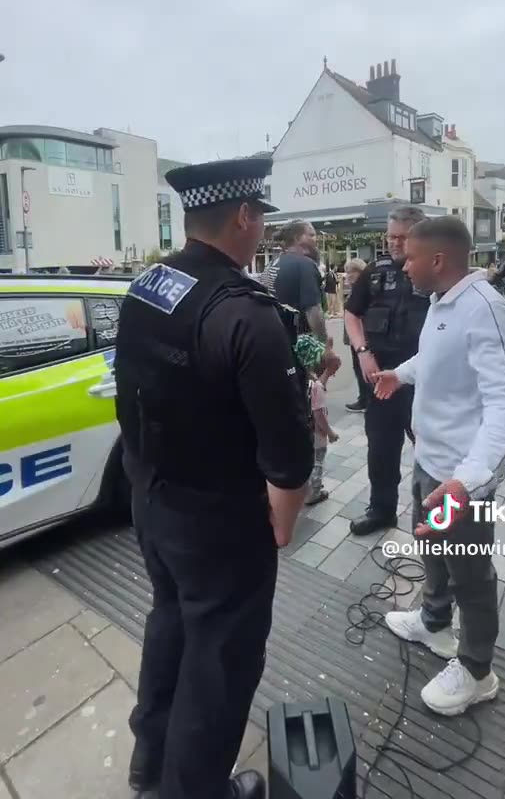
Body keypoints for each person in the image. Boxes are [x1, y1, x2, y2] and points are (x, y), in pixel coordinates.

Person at [114, 156, 314, 799]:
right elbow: (289, 457)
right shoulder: (246, 312)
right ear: (244, 216)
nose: (263, 230)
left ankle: (151, 760)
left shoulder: (146, 285)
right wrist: (281, 526)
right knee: (221, 658)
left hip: (152, 497)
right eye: (261, 219)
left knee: (171, 620)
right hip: (219, 522)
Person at [373, 216, 505, 716]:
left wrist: (470, 480)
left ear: (438, 260)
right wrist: (399, 374)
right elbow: (433, 358)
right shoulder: (442, 303)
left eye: (411, 257)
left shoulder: (485, 310)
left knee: (470, 574)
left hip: (460, 479)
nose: (404, 265)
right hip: (429, 462)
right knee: (432, 548)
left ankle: (478, 670)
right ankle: (434, 622)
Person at [344, 207, 429, 535]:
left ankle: (435, 518)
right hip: (381, 380)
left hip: (423, 383)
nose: (393, 243)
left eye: (401, 237)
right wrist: (363, 352)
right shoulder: (375, 271)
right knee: (381, 449)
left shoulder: (432, 272)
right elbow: (352, 314)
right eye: (390, 236)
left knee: (432, 453)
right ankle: (381, 510)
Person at [259, 220, 327, 340]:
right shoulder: (305, 265)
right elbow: (313, 311)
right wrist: (324, 343)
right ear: (297, 238)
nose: (315, 239)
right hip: (298, 340)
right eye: (311, 235)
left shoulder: (271, 264)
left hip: (272, 336)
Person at [294, 335, 341, 505]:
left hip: (302, 431)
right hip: (316, 435)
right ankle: (314, 493)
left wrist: (327, 370)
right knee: (317, 463)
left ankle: (302, 489)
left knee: (304, 461)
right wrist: (330, 433)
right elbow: (318, 414)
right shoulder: (316, 388)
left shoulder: (300, 382)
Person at [343, 258, 369, 412]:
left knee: (362, 368)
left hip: (361, 337)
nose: (348, 276)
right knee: (357, 368)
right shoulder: (354, 291)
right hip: (354, 338)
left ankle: (366, 399)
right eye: (347, 272)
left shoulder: (363, 291)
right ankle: (364, 397)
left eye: (351, 272)